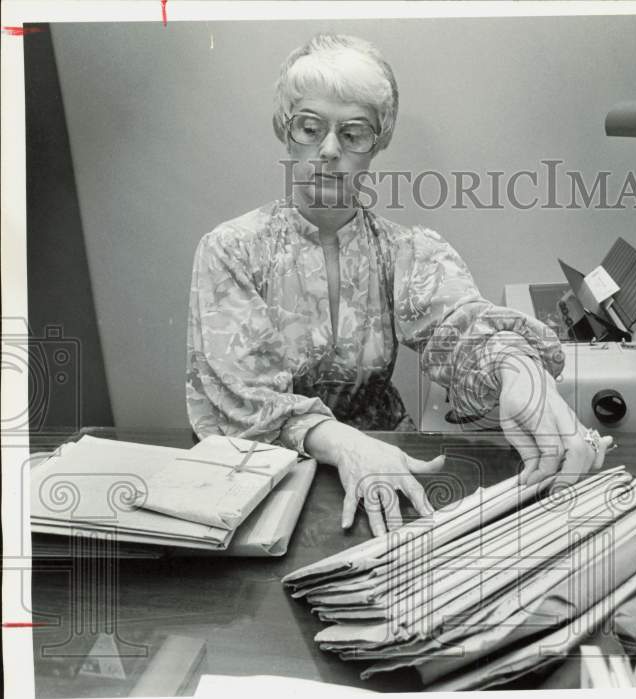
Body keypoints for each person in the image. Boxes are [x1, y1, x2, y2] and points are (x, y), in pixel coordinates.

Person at [186, 33, 612, 536]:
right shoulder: (231, 249)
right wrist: (345, 444)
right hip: (264, 481)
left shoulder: (404, 250)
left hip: (392, 470)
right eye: (309, 127)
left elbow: (463, 328)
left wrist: (520, 370)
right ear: (285, 130)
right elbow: (245, 400)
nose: (328, 150)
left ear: (377, 145)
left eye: (353, 133)